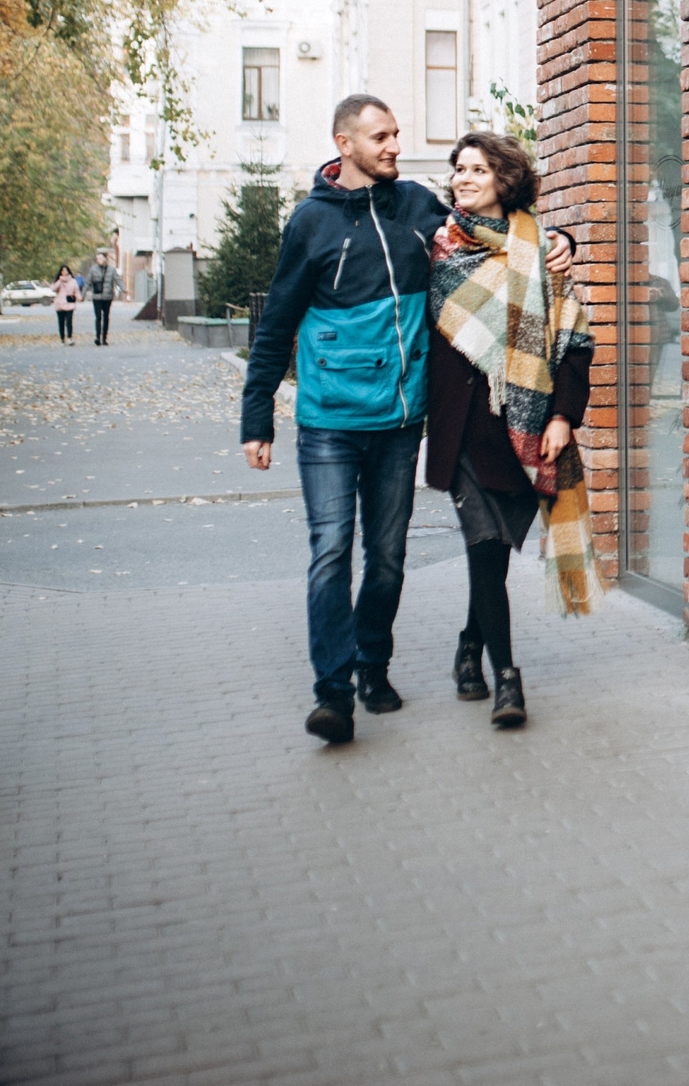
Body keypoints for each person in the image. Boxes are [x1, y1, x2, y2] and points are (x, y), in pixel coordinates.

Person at [240, 95, 573, 746]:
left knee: (387, 558)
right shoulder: (310, 222)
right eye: (381, 136)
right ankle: (333, 693)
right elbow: (276, 323)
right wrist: (258, 418)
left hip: (397, 422)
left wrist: (560, 240)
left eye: (396, 134)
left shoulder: (419, 207)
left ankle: (372, 665)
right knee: (332, 552)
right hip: (329, 422)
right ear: (345, 144)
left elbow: (497, 230)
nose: (396, 145)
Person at [426, 132, 595, 730]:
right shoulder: (440, 244)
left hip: (520, 431)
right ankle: (507, 679)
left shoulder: (542, 252)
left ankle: (470, 646)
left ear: (505, 179)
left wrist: (560, 417)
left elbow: (575, 344)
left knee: (492, 557)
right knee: (482, 547)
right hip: (460, 431)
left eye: (477, 169)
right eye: (458, 169)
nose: (463, 178)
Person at [82, 249, 119, 345]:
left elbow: (117, 279)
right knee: (98, 317)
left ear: (105, 259)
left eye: (100, 258)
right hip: (97, 297)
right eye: (97, 258)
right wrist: (82, 294)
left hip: (107, 297)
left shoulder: (111, 269)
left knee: (106, 317)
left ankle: (104, 338)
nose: (98, 260)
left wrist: (124, 290)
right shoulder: (93, 269)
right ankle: (97, 337)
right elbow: (88, 282)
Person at [50, 264, 81, 344]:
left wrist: (79, 297)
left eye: (66, 270)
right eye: (63, 271)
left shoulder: (73, 281)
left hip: (69, 303)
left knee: (69, 321)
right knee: (61, 322)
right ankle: (62, 338)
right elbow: (53, 289)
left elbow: (76, 290)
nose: (65, 272)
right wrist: (60, 281)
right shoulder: (58, 281)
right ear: (60, 272)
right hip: (60, 303)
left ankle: (69, 337)